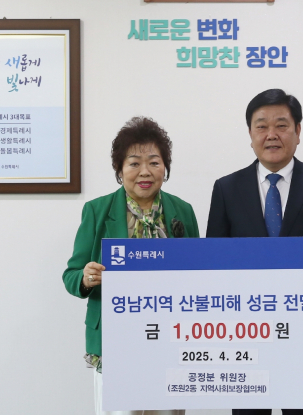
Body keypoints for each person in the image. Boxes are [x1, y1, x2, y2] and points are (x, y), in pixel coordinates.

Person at [206, 89, 303, 415]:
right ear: (250, 134)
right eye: (261, 126)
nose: (271, 134)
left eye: (281, 125)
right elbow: (215, 264)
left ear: (298, 131)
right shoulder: (226, 189)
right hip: (245, 333)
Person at [63, 116, 199, 415]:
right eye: (134, 163)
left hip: (171, 337)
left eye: (154, 162)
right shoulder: (97, 211)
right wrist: (85, 277)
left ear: (165, 167)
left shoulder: (183, 211)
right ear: (119, 169)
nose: (145, 172)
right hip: (116, 340)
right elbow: (71, 275)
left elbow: (197, 273)